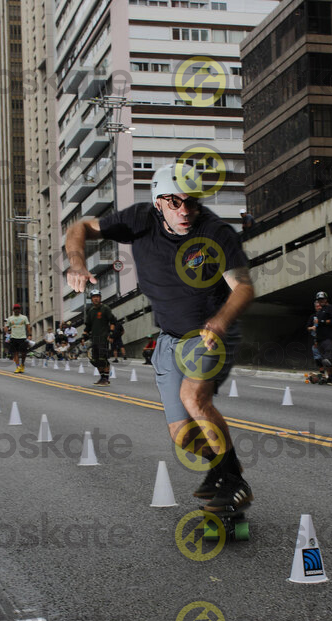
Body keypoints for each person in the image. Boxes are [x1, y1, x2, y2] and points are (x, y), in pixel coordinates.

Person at [65, 162, 254, 513]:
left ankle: (234, 483)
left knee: (193, 398)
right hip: (168, 340)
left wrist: (220, 321)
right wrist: (77, 263)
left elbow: (243, 287)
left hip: (209, 334)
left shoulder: (215, 232)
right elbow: (80, 227)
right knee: (182, 435)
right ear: (158, 202)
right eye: (174, 202)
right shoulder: (139, 220)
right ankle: (223, 466)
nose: (184, 211)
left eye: (191, 202)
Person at [82, 290, 116, 385]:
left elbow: (113, 321)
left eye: (97, 297)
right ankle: (102, 377)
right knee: (94, 360)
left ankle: (106, 378)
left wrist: (111, 333)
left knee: (102, 358)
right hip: (94, 338)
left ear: (100, 298)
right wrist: (84, 336)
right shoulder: (91, 311)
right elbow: (88, 326)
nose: (96, 298)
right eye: (94, 297)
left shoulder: (105, 308)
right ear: (91, 299)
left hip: (103, 337)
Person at [314, 291, 332, 384]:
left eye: (322, 299)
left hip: (329, 338)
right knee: (325, 360)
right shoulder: (319, 312)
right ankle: (329, 377)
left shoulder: (330, 308)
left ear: (326, 299)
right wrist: (316, 339)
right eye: (319, 300)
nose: (321, 301)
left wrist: (324, 321)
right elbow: (317, 327)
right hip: (320, 339)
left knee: (331, 358)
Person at [5, 303, 32, 374]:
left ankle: (22, 364)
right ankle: (17, 366)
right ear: (13, 310)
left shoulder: (24, 317)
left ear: (20, 310)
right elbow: (6, 327)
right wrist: (7, 335)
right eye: (15, 309)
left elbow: (28, 326)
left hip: (22, 337)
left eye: (18, 309)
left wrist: (29, 335)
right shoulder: (10, 318)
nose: (17, 310)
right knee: (15, 353)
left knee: (23, 353)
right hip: (13, 337)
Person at [306, 300, 326, 382]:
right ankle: (323, 375)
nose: (319, 307)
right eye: (317, 306)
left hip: (325, 340)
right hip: (315, 340)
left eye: (320, 306)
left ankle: (331, 376)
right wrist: (312, 328)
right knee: (318, 359)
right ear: (315, 307)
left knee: (327, 359)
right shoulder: (313, 316)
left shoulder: (325, 315)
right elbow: (307, 327)